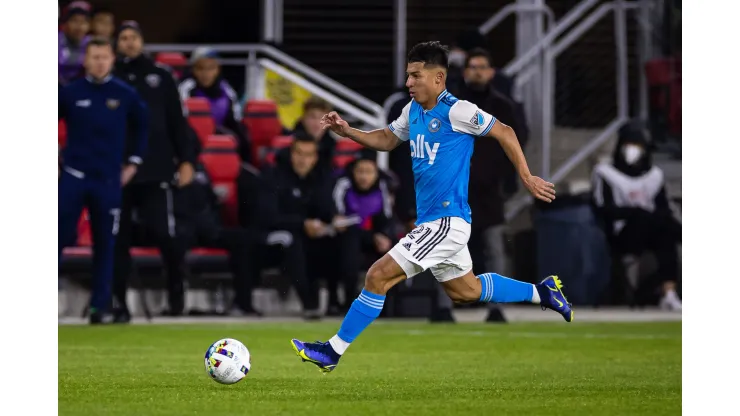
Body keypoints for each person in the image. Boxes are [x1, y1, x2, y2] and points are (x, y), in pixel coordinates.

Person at [291, 41, 570, 373]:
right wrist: (349, 131)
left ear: (439, 78)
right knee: (467, 291)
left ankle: (332, 351)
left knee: (377, 276)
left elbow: (506, 131)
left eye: (416, 76)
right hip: (436, 222)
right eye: (408, 76)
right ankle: (543, 292)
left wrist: (526, 177)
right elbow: (387, 139)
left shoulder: (458, 110)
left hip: (446, 222)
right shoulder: (412, 111)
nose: (409, 83)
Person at [58, 37, 148, 324]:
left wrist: (133, 162)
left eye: (104, 57)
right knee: (55, 239)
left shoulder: (125, 94)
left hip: (108, 181)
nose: (99, 62)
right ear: (86, 60)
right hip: (73, 177)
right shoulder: (70, 92)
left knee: (106, 245)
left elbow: (143, 127)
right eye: (94, 57)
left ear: (111, 59)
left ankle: (100, 307)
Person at [112, 21, 197, 321]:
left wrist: (186, 159)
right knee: (117, 239)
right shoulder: (110, 77)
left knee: (166, 234)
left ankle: (177, 297)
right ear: (116, 43)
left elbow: (178, 122)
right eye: (123, 38)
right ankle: (117, 303)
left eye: (134, 37)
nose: (129, 43)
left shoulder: (161, 77)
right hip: (118, 171)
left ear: (142, 41)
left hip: (156, 170)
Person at [457, 48, 525, 323]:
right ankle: (444, 305)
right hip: (456, 189)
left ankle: (496, 306)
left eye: (482, 67)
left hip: (490, 190)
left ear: (491, 72)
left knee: (495, 246)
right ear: (465, 72)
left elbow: (515, 144)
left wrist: (510, 179)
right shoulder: (451, 105)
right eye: (472, 67)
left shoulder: (503, 106)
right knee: (448, 247)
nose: (477, 72)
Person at [592, 126, 682, 310]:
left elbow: (662, 207)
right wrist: (634, 213)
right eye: (628, 144)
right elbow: (604, 208)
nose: (632, 150)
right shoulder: (605, 173)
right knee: (647, 219)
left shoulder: (654, 175)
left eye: (638, 145)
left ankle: (669, 293)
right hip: (622, 232)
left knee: (667, 230)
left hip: (654, 230)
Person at [258, 135, 339, 319]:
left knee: (337, 240)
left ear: (315, 158)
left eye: (309, 155)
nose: (303, 160)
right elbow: (268, 216)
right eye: (299, 154)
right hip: (275, 234)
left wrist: (332, 220)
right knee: (293, 241)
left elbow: (326, 210)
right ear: (291, 154)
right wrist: (302, 224)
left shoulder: (321, 178)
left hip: (311, 234)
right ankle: (309, 303)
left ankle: (337, 302)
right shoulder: (273, 176)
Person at [328, 156, 395, 315]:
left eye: (369, 172)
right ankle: (348, 301)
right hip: (348, 235)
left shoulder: (382, 188)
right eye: (360, 172)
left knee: (392, 251)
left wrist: (383, 235)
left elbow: (386, 218)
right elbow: (337, 215)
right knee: (349, 251)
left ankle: (386, 306)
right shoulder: (343, 185)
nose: (364, 177)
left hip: (372, 234)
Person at [178, 47, 251, 162]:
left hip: (221, 141)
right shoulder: (185, 89)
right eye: (201, 68)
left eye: (211, 68)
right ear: (193, 69)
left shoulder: (227, 90)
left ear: (218, 69)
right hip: (193, 141)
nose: (206, 74)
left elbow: (236, 120)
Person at [59, 1, 92, 85]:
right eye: (74, 20)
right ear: (65, 24)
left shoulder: (92, 44)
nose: (79, 26)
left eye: (83, 22)